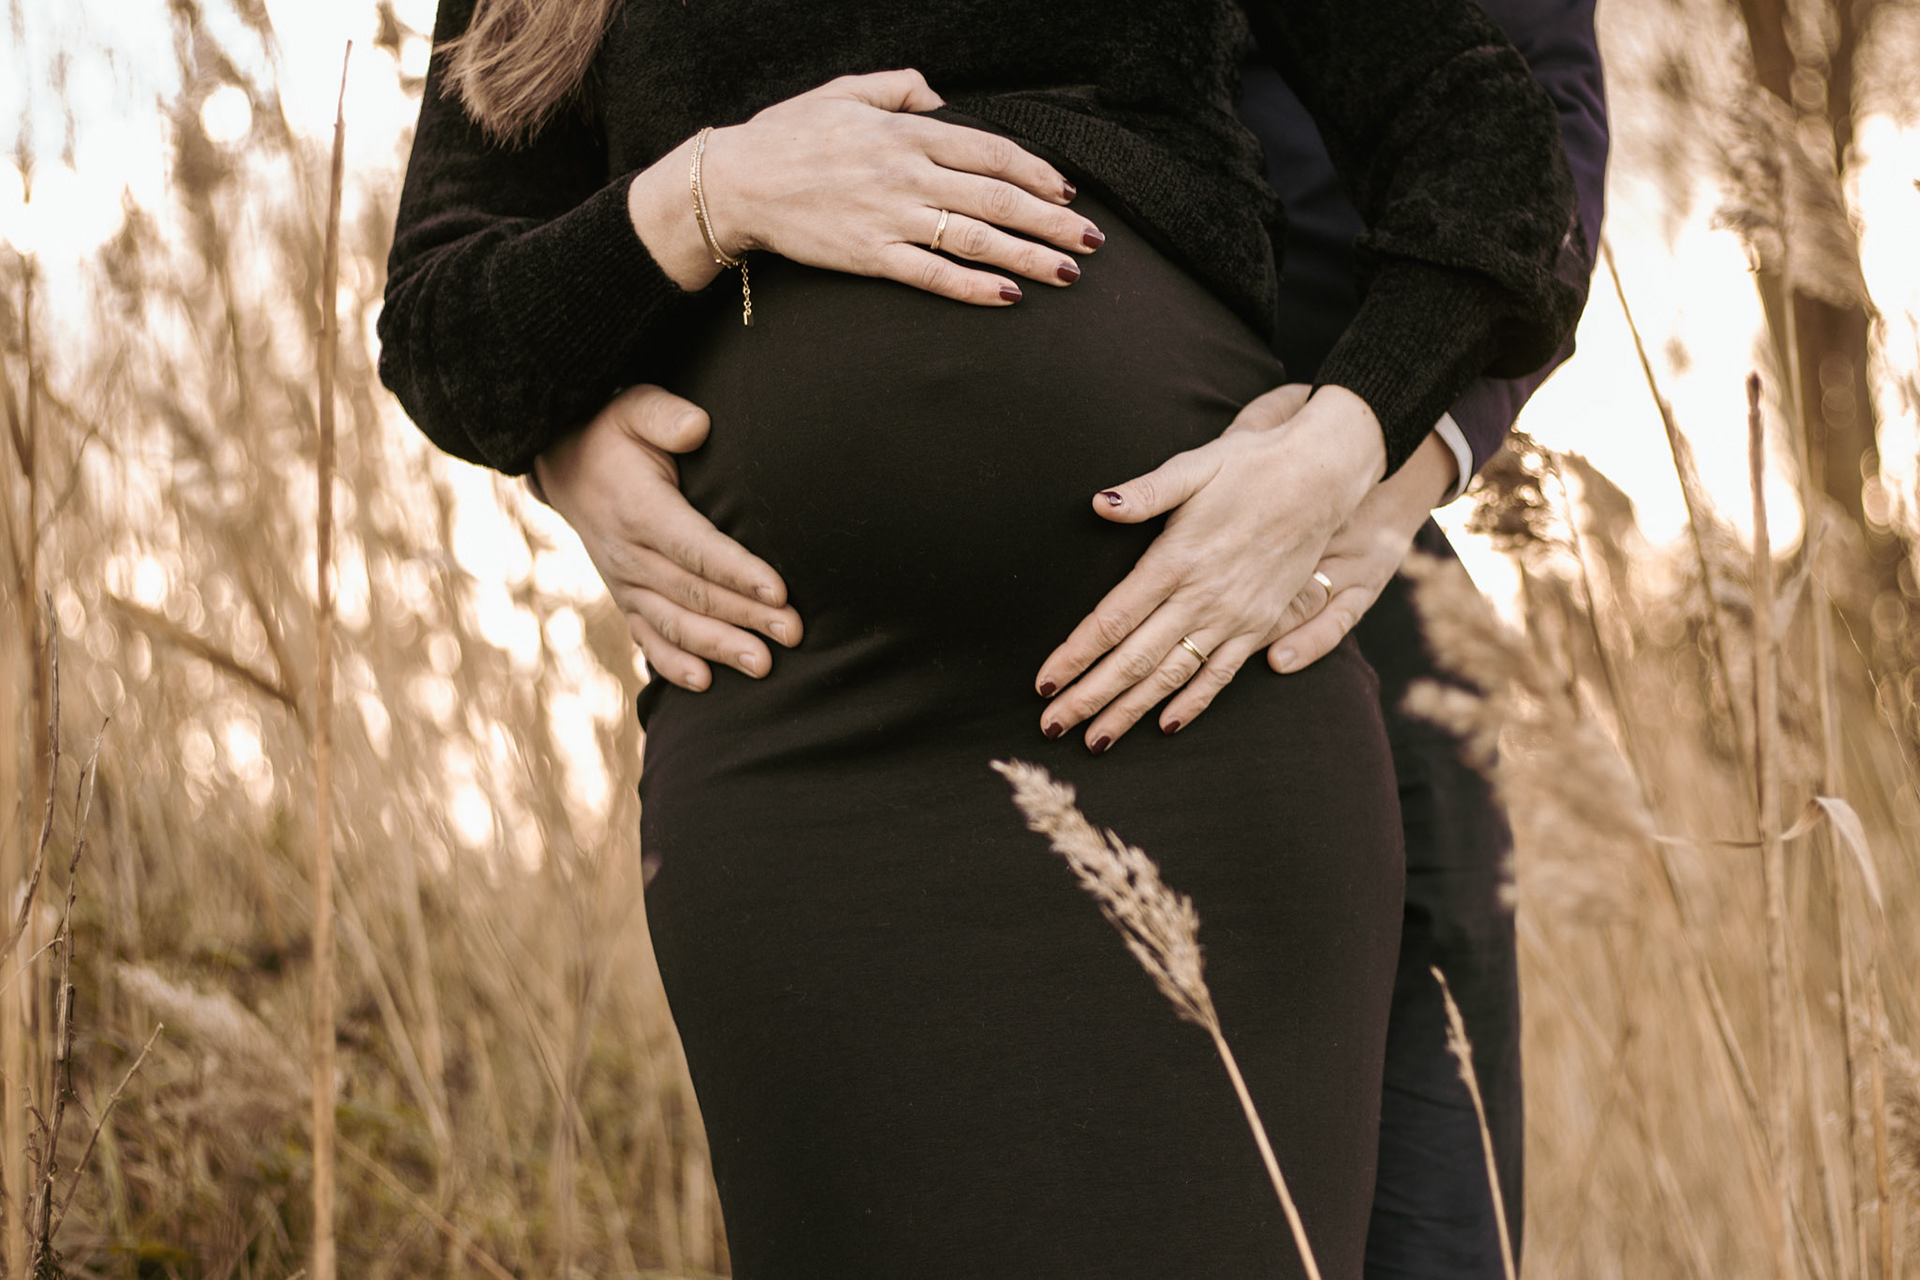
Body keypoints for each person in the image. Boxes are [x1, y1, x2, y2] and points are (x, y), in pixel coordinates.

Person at [380, 2, 1586, 1275]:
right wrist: (709, 195)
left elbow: (1500, 152)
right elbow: (444, 334)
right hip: (801, 762)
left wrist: (1351, 441)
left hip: (1189, 714)